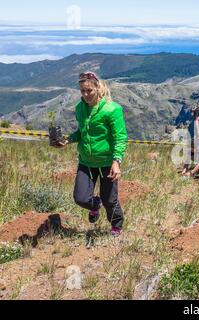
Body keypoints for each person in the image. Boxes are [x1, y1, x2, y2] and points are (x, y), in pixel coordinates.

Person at [55, 71, 127, 237]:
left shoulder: (112, 109)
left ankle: (116, 226)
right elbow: (81, 132)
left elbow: (120, 137)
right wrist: (67, 140)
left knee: (110, 200)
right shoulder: (80, 108)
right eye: (82, 91)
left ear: (97, 87)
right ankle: (95, 205)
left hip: (107, 162)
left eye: (89, 91)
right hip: (86, 161)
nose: (86, 95)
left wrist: (116, 161)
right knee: (80, 198)